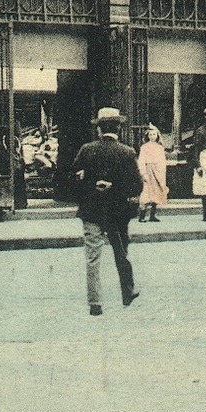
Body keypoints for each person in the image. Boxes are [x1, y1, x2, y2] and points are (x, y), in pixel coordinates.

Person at [71, 108, 141, 315]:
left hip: (91, 210)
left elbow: (71, 179)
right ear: (118, 128)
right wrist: (115, 187)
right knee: (121, 252)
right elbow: (136, 185)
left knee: (93, 257)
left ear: (99, 129)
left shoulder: (86, 149)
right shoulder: (127, 152)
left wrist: (92, 184)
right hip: (117, 211)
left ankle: (95, 303)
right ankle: (127, 292)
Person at [137, 124, 169, 223]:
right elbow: (141, 160)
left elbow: (162, 161)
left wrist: (161, 173)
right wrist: (143, 173)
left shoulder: (160, 148)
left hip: (157, 171)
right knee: (146, 193)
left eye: (154, 134)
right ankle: (142, 216)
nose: (152, 136)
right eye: (150, 135)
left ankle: (152, 215)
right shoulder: (144, 147)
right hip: (148, 170)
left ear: (157, 136)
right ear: (147, 136)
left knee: (156, 192)